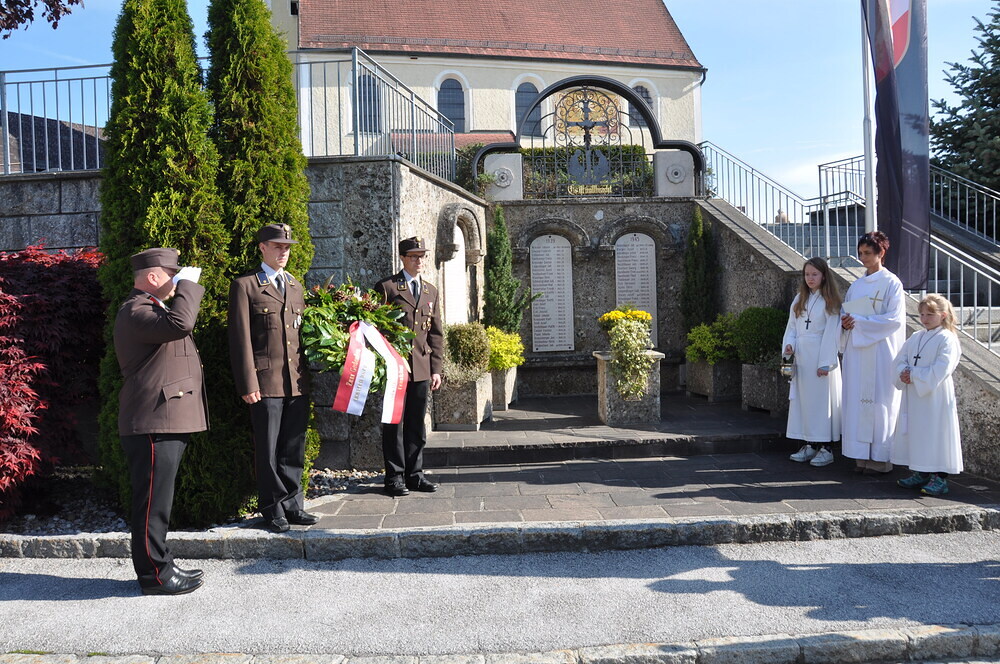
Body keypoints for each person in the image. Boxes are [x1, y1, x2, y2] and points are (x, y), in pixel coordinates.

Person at [114, 247, 207, 596]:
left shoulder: (151, 308)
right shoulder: (136, 310)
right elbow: (181, 324)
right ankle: (155, 575)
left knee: (158, 501)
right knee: (152, 503)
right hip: (152, 421)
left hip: (160, 419)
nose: (177, 280)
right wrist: (188, 286)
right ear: (153, 277)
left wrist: (180, 287)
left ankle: (161, 563)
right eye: (172, 274)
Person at [228, 223, 318, 533]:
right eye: (278, 246)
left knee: (293, 446)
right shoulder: (246, 286)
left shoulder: (295, 285)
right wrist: (248, 383)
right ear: (262, 247)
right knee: (267, 449)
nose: (284, 251)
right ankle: (272, 508)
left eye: (287, 247)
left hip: (296, 381)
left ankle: (293, 505)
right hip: (265, 382)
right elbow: (240, 339)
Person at [374, 236, 444, 497]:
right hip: (396, 367)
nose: (419, 260)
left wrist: (436, 369)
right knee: (394, 423)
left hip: (422, 366)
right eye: (413, 256)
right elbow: (375, 328)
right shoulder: (387, 288)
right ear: (402, 258)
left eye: (422, 256)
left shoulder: (430, 291)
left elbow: (436, 333)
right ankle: (394, 476)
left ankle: (415, 474)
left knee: (416, 423)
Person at [839, 231, 907, 473]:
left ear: (881, 252)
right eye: (860, 253)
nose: (863, 258)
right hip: (858, 353)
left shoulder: (892, 283)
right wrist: (845, 323)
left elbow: (894, 320)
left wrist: (858, 321)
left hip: (881, 352)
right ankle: (859, 455)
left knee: (880, 402)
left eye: (867, 253)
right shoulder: (856, 286)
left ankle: (880, 458)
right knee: (857, 401)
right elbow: (845, 313)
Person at [891, 294, 963, 496]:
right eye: (922, 314)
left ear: (943, 315)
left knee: (936, 433)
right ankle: (921, 471)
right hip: (915, 394)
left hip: (935, 395)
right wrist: (903, 372)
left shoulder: (948, 338)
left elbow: (942, 368)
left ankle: (940, 478)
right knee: (918, 432)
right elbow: (900, 360)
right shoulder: (916, 337)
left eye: (930, 314)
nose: (924, 319)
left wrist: (913, 374)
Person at [784, 257, 843, 467]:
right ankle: (809, 443)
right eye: (807, 274)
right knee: (804, 402)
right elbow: (792, 327)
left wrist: (825, 362)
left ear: (824, 276)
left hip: (820, 357)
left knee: (821, 402)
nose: (810, 278)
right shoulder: (800, 299)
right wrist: (789, 346)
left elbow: (832, 333)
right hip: (802, 358)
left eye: (814, 274)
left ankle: (826, 448)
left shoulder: (830, 301)